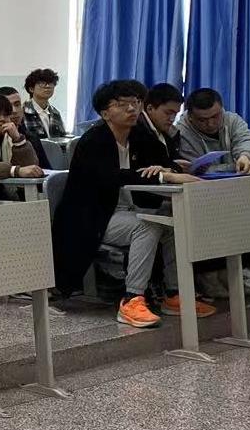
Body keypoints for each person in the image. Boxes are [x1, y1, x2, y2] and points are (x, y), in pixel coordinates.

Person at [51, 80, 213, 328]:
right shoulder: (93, 141)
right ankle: (131, 300)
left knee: (173, 222)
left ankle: (173, 294)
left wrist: (165, 169)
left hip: (129, 210)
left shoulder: (140, 135)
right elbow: (111, 177)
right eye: (122, 104)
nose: (132, 109)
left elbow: (165, 162)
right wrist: (163, 176)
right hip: (93, 217)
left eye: (136, 102)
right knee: (147, 226)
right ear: (105, 113)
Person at [176, 88, 250, 174]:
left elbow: (245, 140)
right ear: (190, 117)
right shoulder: (180, 134)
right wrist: (235, 166)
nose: (210, 124)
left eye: (215, 116)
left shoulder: (232, 120)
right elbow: (196, 170)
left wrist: (245, 156)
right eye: (202, 120)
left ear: (222, 109)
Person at [0, 86, 52, 169]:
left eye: (17, 105)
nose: (14, 111)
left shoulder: (30, 137)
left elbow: (44, 169)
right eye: (8, 107)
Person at [138, 84, 184, 161]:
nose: (172, 119)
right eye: (168, 113)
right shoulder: (137, 132)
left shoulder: (170, 132)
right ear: (150, 109)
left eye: (175, 114)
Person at [22, 67, 67, 140]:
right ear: (31, 89)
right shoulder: (23, 112)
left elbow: (62, 138)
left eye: (50, 83)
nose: (47, 86)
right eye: (42, 83)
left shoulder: (55, 113)